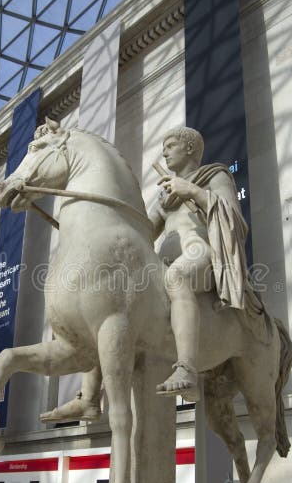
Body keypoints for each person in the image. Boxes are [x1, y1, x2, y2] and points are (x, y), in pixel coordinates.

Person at [40, 126, 262, 421]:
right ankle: (90, 397)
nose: (165, 151)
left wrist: (192, 191)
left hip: (199, 251)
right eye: (164, 146)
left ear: (190, 149)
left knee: (176, 277)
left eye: (171, 145)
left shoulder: (215, 176)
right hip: (164, 259)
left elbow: (232, 216)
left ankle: (187, 368)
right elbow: (145, 229)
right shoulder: (166, 194)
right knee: (109, 299)